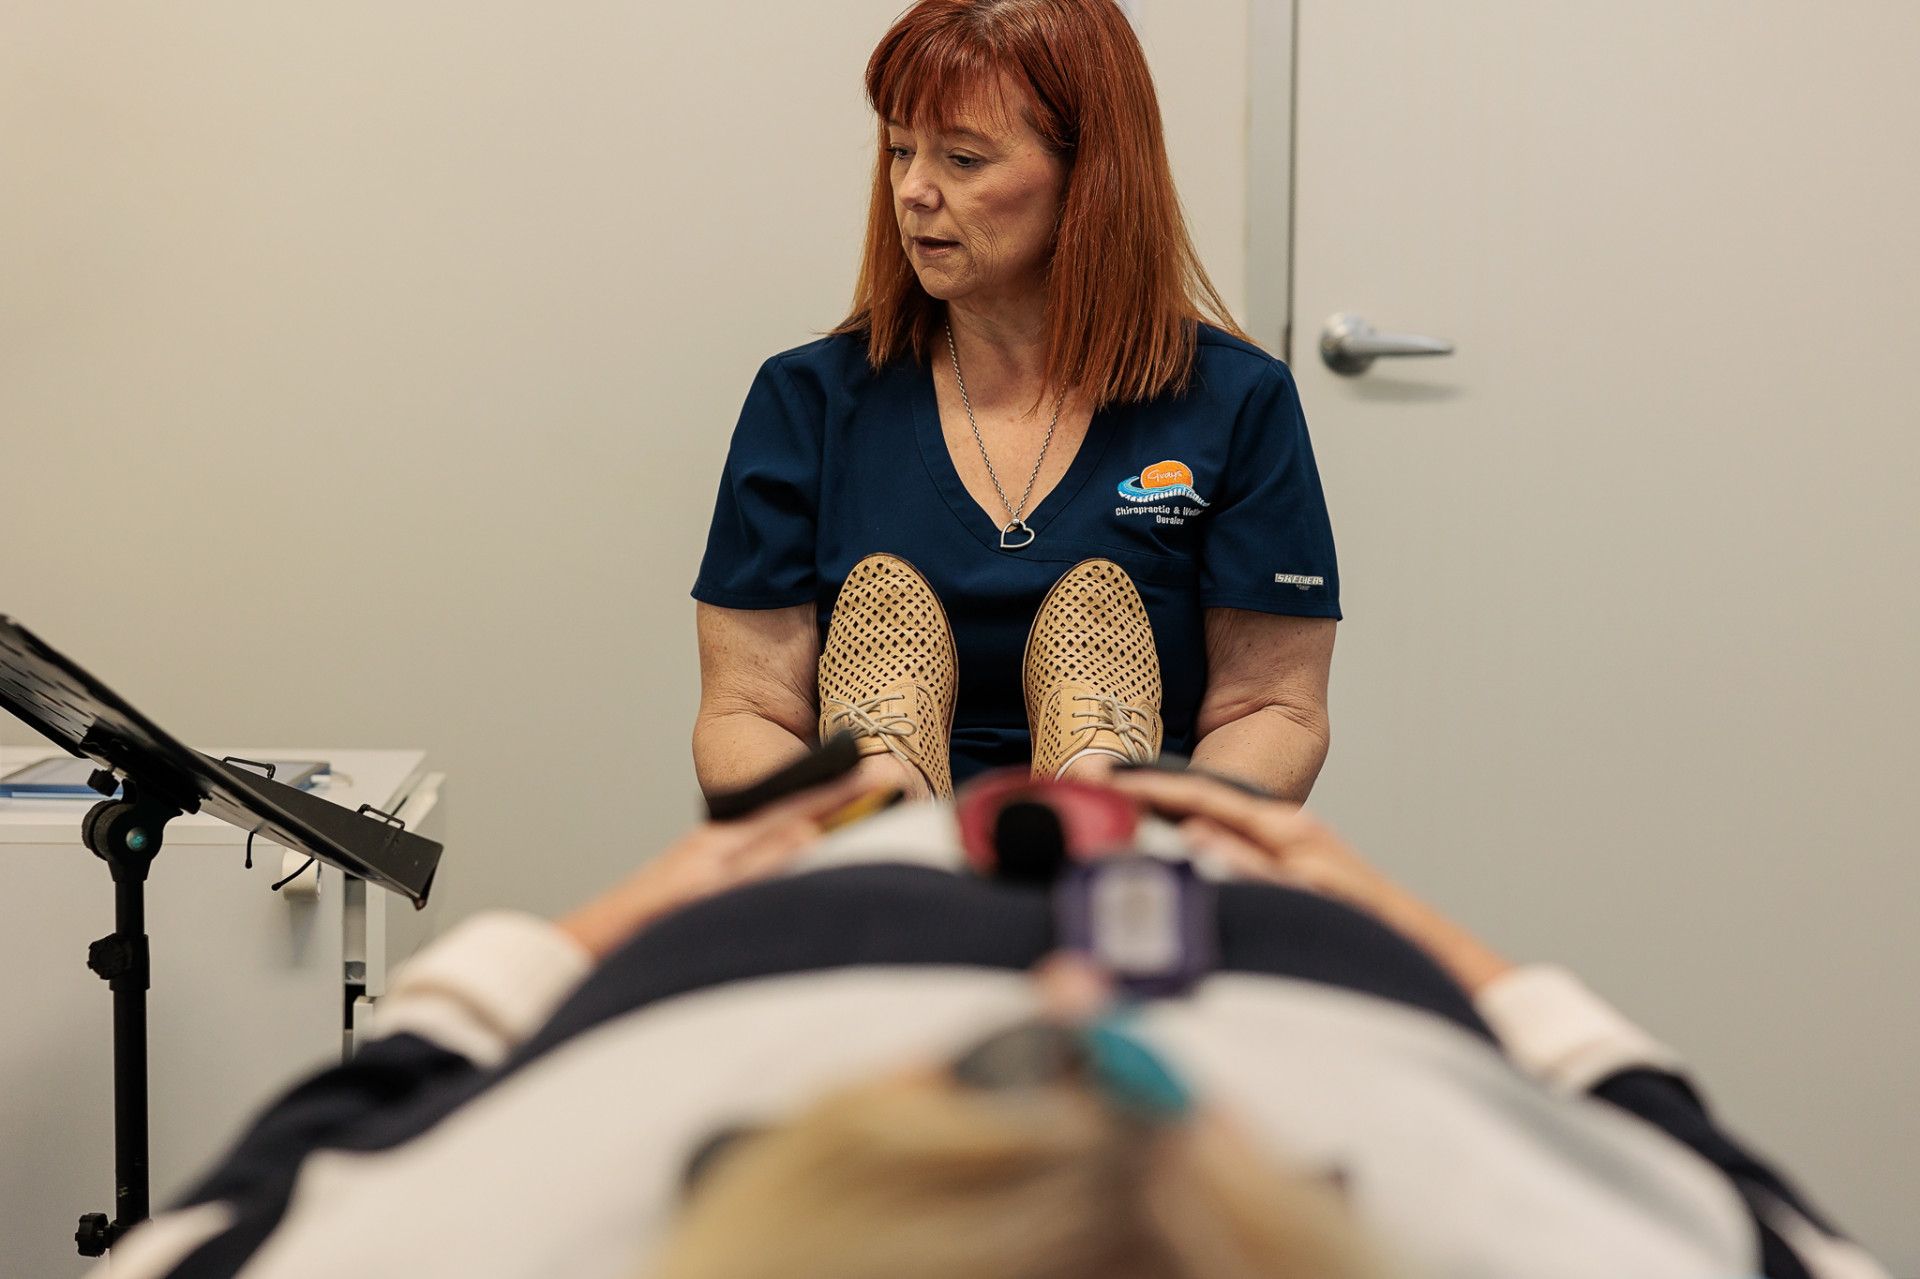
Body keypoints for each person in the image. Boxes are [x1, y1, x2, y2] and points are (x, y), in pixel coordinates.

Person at [97, 764, 1887, 1279]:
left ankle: (926, 763)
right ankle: (1094, 763)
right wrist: (1417, 934)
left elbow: (297, 1150)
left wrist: (603, 926)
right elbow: (1705, 1153)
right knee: (1132, 791)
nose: (1056, 1004)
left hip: (781, 943)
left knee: (885, 793)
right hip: (1285, 956)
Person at [693, 0, 1340, 804]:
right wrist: (840, 816)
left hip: (1131, 863)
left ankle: (1097, 787)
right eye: (900, 150)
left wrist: (1167, 826)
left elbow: (1274, 706)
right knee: (883, 831)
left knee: (1105, 831)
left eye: (963, 159)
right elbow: (743, 711)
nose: (913, 190)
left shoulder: (1237, 402)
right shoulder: (808, 401)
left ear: (1087, 176)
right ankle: (889, 793)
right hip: (878, 873)